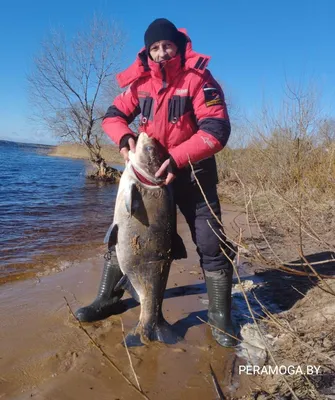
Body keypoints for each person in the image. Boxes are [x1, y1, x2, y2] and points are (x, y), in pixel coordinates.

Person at [75, 18, 237, 347]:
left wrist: (177, 159)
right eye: (155, 48)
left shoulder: (199, 80)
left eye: (167, 46)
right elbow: (112, 116)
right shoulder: (142, 84)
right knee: (123, 235)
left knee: (210, 242)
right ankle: (107, 298)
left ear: (177, 47)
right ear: (147, 52)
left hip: (193, 173)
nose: (161, 53)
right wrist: (124, 139)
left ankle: (220, 317)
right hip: (149, 176)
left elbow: (217, 131)